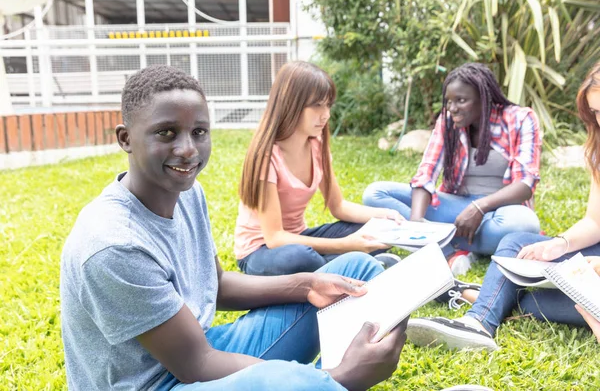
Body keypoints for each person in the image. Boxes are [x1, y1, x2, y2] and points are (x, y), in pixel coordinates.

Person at [60, 65, 408, 390]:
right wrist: (339, 379)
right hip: (163, 380)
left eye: (199, 132)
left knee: (357, 272)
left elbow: (217, 284)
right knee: (306, 379)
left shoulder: (188, 192)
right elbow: (196, 364)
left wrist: (308, 284)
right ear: (125, 139)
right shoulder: (114, 244)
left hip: (200, 347)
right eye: (166, 133)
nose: (187, 149)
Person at [406, 62, 600, 351]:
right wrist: (561, 244)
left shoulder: (519, 119)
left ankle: (474, 295)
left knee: (541, 302)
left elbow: (525, 181)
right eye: (596, 112)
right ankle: (479, 323)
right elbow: (595, 222)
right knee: (516, 242)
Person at [362, 63, 542, 277]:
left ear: (484, 99)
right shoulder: (448, 121)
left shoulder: (520, 119)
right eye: (449, 101)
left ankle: (442, 245)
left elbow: (524, 185)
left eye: (461, 100)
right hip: (455, 209)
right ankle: (450, 244)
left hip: (499, 213)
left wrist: (479, 207)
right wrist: (417, 223)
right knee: (375, 193)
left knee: (526, 224)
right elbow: (426, 173)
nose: (452, 108)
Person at [235, 61, 403, 276]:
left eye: (328, 105)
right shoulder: (266, 157)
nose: (326, 115)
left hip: (299, 239)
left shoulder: (316, 145)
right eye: (317, 105)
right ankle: (349, 266)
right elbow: (275, 238)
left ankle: (336, 268)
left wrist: (384, 215)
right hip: (261, 252)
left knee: (379, 232)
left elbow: (338, 206)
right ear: (290, 103)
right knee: (299, 258)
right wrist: (347, 244)